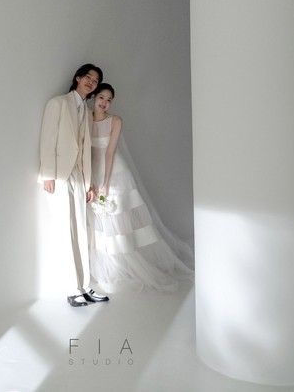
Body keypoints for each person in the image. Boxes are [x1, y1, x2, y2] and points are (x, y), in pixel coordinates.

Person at [87, 83, 194, 293]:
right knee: (103, 222)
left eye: (109, 100)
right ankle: (114, 267)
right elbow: (87, 152)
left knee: (121, 219)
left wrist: (106, 183)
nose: (105, 103)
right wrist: (91, 180)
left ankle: (131, 266)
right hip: (95, 174)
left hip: (115, 174)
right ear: (93, 97)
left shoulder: (115, 121)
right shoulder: (86, 119)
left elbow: (109, 153)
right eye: (101, 97)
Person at [38, 64, 110, 307]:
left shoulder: (87, 112)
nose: (91, 82)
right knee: (65, 232)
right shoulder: (57, 103)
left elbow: (85, 150)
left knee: (81, 231)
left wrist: (89, 184)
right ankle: (72, 289)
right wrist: (48, 174)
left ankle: (85, 286)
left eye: (95, 80)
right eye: (88, 77)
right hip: (59, 176)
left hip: (79, 177)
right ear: (78, 78)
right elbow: (47, 140)